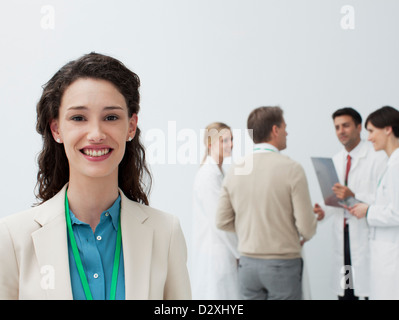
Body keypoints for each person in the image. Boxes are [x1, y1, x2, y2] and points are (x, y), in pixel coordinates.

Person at [0, 53, 191, 300]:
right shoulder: (13, 237)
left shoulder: (166, 233)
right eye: (78, 118)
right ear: (56, 128)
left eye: (111, 117)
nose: (96, 134)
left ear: (131, 126)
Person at [215, 106, 319, 300]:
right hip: (282, 265)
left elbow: (221, 220)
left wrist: (251, 229)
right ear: (275, 130)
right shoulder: (292, 169)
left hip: (247, 266)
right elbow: (307, 228)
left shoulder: (235, 170)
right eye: (285, 127)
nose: (287, 132)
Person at [313, 107, 387, 300]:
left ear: (359, 127)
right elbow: (335, 199)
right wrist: (322, 211)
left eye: (346, 125)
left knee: (368, 291)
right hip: (344, 238)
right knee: (347, 293)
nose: (341, 131)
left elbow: (384, 200)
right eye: (337, 127)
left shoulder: (378, 157)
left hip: (365, 236)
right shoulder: (337, 160)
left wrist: (354, 195)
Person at [348, 106, 399, 300]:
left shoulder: (396, 165)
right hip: (384, 253)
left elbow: (397, 212)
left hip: (392, 255)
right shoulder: (391, 163)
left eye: (371, 131)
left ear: (388, 129)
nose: (368, 138)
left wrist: (368, 211)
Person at [191, 122, 240, 300]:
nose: (230, 144)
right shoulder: (208, 176)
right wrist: (240, 253)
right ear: (210, 143)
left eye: (231, 139)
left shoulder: (219, 173)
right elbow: (220, 222)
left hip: (222, 255)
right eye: (224, 140)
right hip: (216, 257)